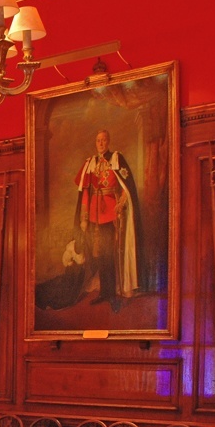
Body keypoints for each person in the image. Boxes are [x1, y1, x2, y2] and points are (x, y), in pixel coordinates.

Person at [74, 129, 141, 312]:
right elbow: (86, 192)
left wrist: (120, 205)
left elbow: (126, 187)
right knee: (98, 256)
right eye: (98, 140)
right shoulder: (90, 163)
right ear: (95, 143)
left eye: (103, 140)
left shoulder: (116, 159)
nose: (101, 143)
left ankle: (112, 294)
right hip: (94, 216)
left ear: (108, 141)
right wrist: (84, 218)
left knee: (110, 255)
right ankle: (104, 292)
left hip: (110, 215)